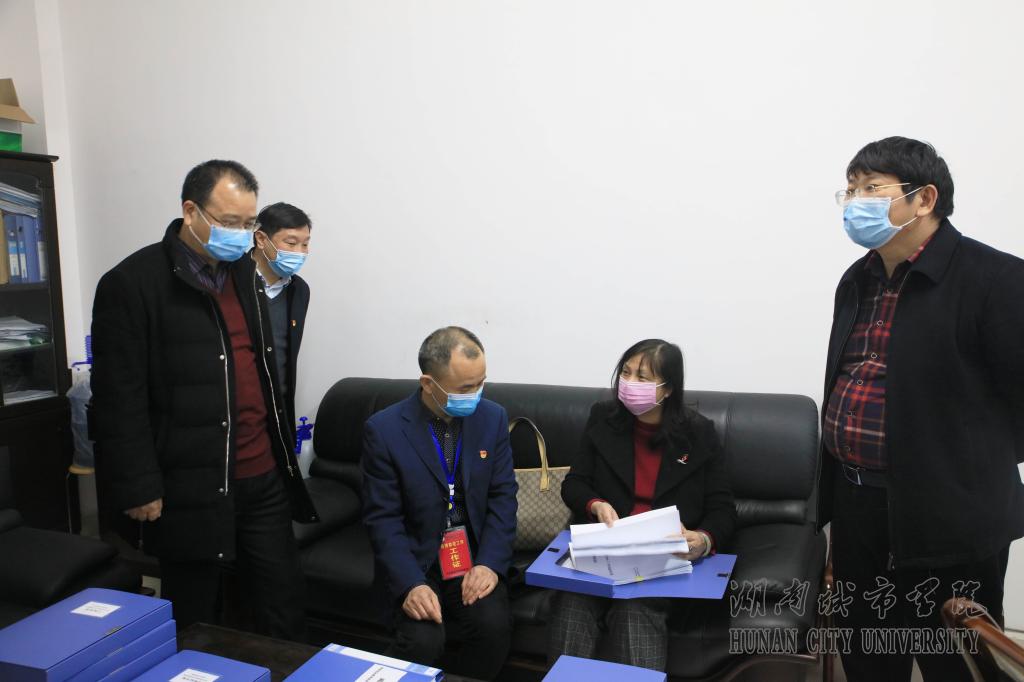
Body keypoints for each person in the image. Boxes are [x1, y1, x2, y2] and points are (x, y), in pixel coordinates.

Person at [820, 136, 1024, 681]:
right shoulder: (857, 279)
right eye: (850, 190)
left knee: (954, 658)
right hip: (858, 504)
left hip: (951, 515)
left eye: (871, 188)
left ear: (925, 198)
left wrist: (965, 464)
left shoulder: (996, 279)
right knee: (867, 652)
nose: (854, 203)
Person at [90, 160, 318, 639]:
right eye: (229, 221)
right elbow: (118, 397)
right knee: (196, 613)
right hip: (189, 482)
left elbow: (262, 369)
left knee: (283, 602)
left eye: (248, 223)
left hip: (261, 472)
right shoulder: (132, 283)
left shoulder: (245, 275)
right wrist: (138, 484)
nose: (240, 234)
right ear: (190, 211)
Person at [548, 339, 736, 672]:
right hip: (604, 551)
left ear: (668, 389)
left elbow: (722, 508)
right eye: (626, 372)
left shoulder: (698, 433)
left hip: (661, 560)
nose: (630, 382)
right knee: (572, 601)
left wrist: (702, 539)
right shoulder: (602, 418)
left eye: (643, 377)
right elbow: (574, 483)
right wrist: (596, 505)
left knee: (634, 609)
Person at [361, 326, 517, 680]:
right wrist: (410, 584)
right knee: (423, 641)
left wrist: (490, 564)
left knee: (493, 629)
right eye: (465, 388)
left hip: (471, 556)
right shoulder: (384, 430)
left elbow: (503, 497)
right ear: (428, 384)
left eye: (481, 383)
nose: (475, 395)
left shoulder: (492, 418)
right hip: (417, 558)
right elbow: (383, 519)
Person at [249, 201, 312, 427]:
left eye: (305, 244)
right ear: (261, 239)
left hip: (277, 409)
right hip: (237, 407)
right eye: (291, 243)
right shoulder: (232, 281)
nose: (300, 252)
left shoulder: (299, 290)